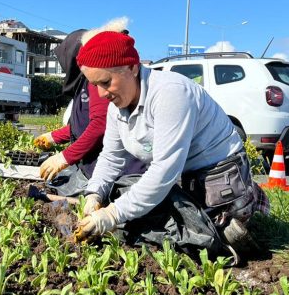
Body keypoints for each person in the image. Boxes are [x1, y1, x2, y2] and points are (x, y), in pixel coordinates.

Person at [72, 30, 269, 261]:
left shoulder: (170, 93)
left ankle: (229, 233)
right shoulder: (117, 107)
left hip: (219, 179)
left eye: (106, 82)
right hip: (183, 177)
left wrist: (113, 214)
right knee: (136, 207)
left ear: (132, 68)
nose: (101, 93)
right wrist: (94, 195)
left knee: (194, 239)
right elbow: (112, 157)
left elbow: (164, 170)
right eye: (95, 85)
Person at [35, 19, 146, 191]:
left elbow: (100, 123)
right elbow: (87, 122)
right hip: (103, 170)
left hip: (120, 174)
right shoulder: (89, 81)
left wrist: (65, 157)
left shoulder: (98, 79)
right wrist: (54, 136)